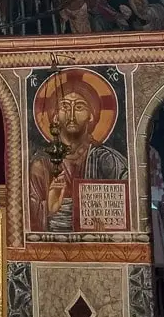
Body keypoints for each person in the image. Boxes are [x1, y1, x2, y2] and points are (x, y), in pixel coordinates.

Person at [29, 89, 127, 231]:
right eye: (65, 107)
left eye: (79, 107)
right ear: (55, 116)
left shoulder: (108, 160)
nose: (71, 114)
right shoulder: (41, 164)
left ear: (91, 116)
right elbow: (30, 215)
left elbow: (129, 202)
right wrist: (49, 209)